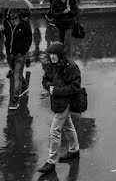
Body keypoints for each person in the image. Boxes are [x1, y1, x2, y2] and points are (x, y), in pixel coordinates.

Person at [36, 41, 82, 174]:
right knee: (67, 126)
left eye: (54, 54)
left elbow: (75, 87)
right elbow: (45, 80)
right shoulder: (52, 65)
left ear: (60, 54)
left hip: (66, 102)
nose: (52, 57)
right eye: (50, 54)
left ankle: (51, 162)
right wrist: (49, 87)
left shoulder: (71, 67)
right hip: (57, 102)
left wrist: (55, 90)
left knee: (54, 130)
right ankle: (74, 150)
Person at [0, 9, 33, 110]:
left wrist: (23, 52)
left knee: (17, 77)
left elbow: (29, 40)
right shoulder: (6, 23)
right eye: (10, 12)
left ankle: (15, 100)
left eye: (14, 12)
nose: (11, 14)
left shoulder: (25, 25)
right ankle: (25, 86)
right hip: (9, 54)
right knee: (15, 72)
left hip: (20, 56)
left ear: (18, 13)